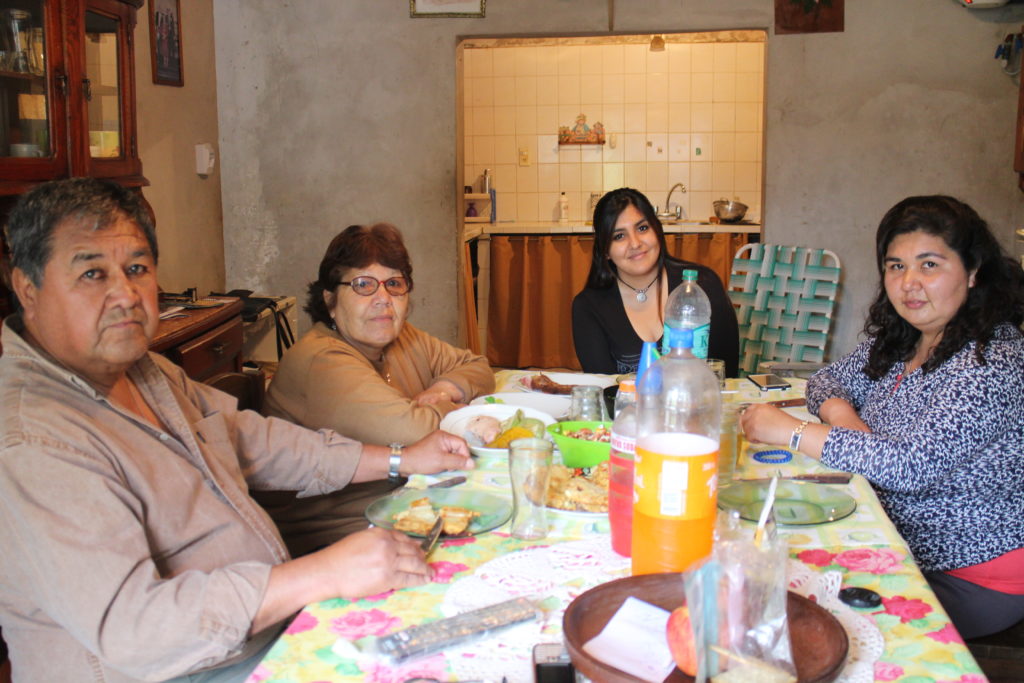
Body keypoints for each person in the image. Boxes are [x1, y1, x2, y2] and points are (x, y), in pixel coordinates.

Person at [0, 178, 474, 681]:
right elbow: (135, 630)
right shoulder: (34, 437)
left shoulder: (142, 369)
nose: (125, 295)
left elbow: (254, 440)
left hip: (263, 625)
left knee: (459, 619)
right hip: (189, 668)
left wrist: (402, 459)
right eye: (92, 273)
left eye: (136, 268)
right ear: (27, 288)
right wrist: (322, 572)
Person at [741, 195, 1024, 639]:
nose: (909, 283)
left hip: (968, 571)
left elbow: (911, 466)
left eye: (929, 265)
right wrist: (845, 418)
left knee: (791, 615)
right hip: (897, 537)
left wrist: (792, 431)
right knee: (760, 564)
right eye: (896, 266)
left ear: (972, 271)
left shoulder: (991, 361)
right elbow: (825, 381)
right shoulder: (906, 338)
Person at [262, 223, 494, 555]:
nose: (383, 299)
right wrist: (448, 411)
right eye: (363, 285)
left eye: (394, 284)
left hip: (402, 502)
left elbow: (478, 366)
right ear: (329, 299)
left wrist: (442, 390)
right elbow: (416, 431)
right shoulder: (322, 360)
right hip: (337, 535)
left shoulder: (402, 338)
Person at [571, 187, 740, 376]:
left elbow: (727, 373)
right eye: (619, 236)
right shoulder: (588, 307)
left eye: (642, 228)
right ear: (605, 251)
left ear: (657, 230)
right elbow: (604, 389)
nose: (635, 243)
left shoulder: (702, 285)